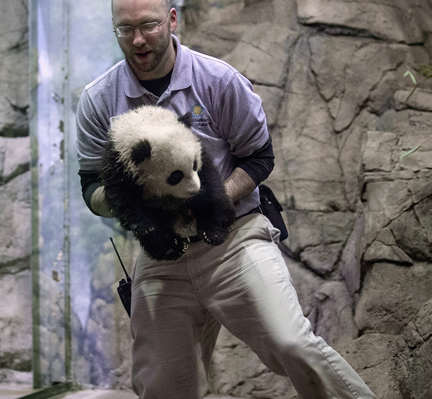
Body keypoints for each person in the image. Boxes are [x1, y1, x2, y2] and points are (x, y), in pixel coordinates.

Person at [76, 0, 376, 397]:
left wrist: (211, 203)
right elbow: (91, 186)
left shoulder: (219, 81)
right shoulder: (99, 100)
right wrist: (134, 208)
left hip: (234, 236)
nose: (137, 39)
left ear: (171, 19)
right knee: (162, 382)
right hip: (162, 254)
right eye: (124, 29)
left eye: (148, 26)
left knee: (293, 344)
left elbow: (259, 157)